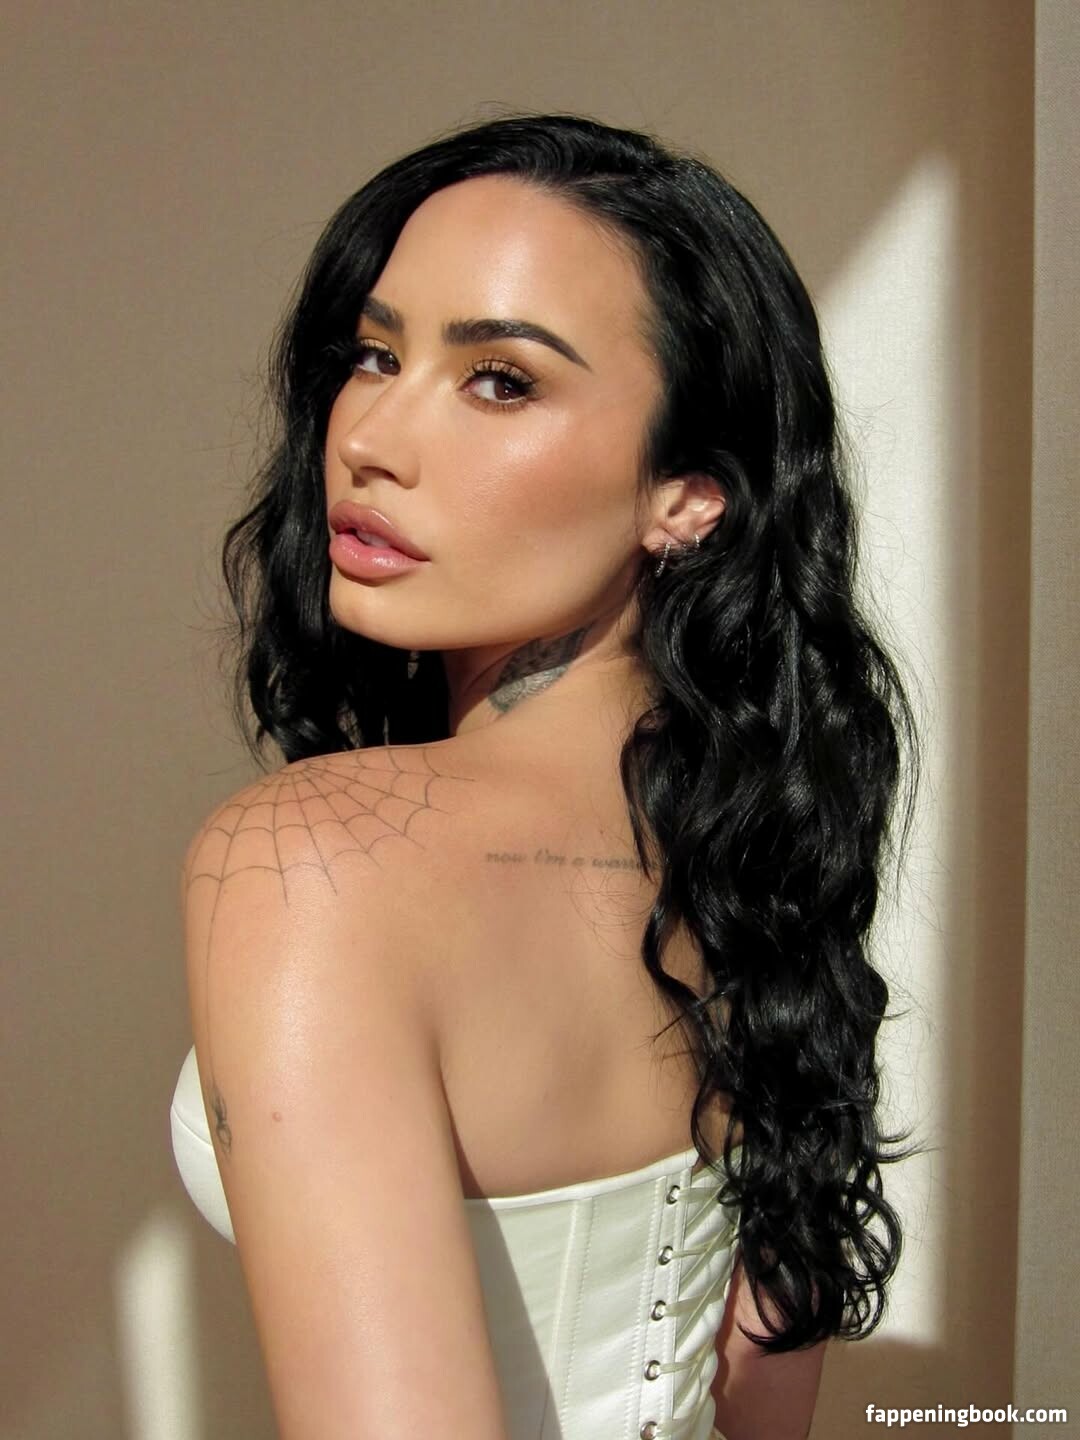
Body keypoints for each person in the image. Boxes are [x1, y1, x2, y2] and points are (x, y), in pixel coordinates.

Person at [171, 111, 920, 1440]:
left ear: (689, 494)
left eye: (501, 381)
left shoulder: (310, 857)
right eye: (376, 355)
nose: (370, 436)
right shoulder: (757, 856)